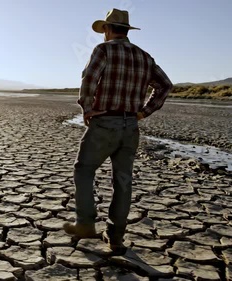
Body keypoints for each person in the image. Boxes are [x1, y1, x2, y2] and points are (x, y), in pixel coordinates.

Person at [63, 8, 173, 254]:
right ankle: (116, 238)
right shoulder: (144, 56)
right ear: (127, 30)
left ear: (109, 30)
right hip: (130, 127)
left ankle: (85, 223)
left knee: (84, 169)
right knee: (122, 182)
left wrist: (87, 108)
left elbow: (89, 78)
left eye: (104, 31)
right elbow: (165, 85)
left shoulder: (104, 50)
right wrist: (144, 112)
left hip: (105, 123)